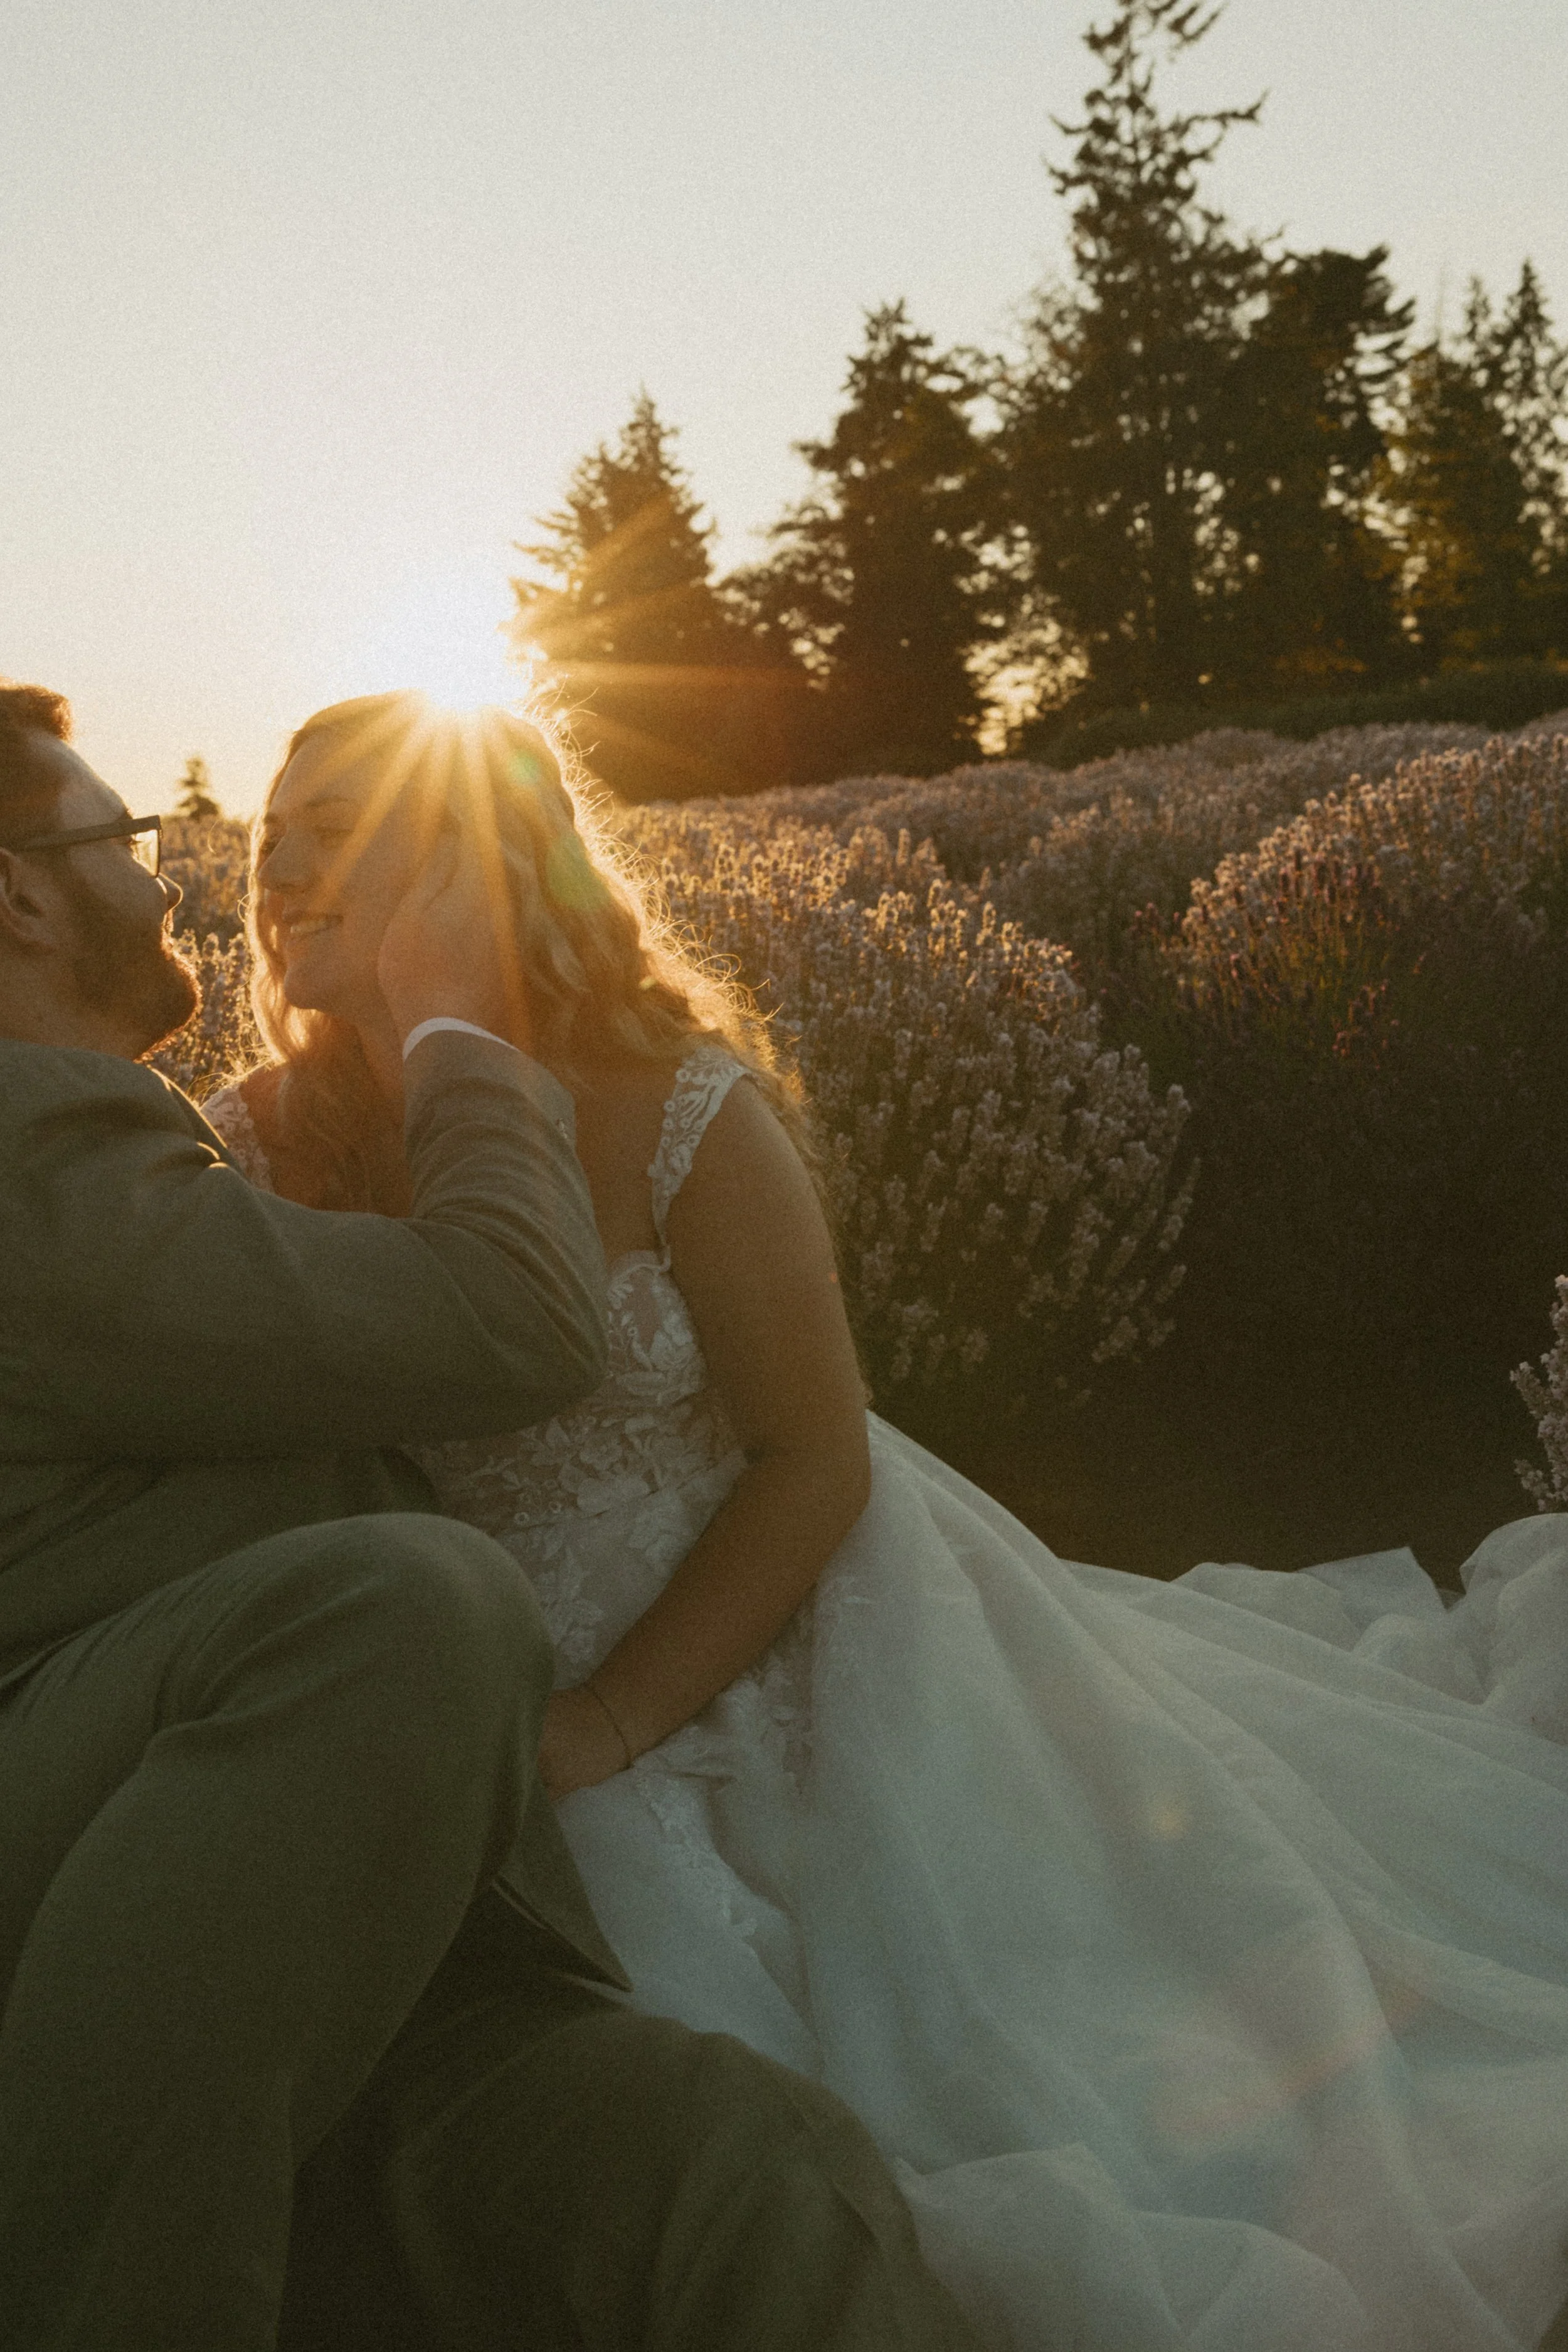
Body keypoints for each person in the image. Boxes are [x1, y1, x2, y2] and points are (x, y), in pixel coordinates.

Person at [211, 691, 1568, 2352]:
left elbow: (810, 1456)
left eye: (331, 825)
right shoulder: (260, 1149)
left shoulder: (677, 1102)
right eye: (274, 829)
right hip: (468, 1663)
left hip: (790, 1615)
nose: (277, 862)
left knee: (983, 2054)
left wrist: (618, 1718)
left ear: (461, 862)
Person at [0, 680, 980, 2352]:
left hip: (406, 1916)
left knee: (763, 2168)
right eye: (134, 838)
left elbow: (810, 1444)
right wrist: (457, 1012)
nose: (198, 873)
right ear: (21, 895)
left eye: (333, 838)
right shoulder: (40, 1149)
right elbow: (516, 1326)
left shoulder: (162, 1155)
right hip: (105, 1885)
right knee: (401, 1603)